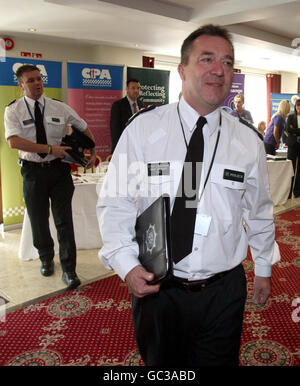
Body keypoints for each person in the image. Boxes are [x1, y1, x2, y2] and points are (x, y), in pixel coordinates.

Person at [97, 24, 280, 366]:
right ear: (182, 70)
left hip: (222, 291)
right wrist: (125, 264)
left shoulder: (247, 142)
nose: (218, 70)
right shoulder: (142, 130)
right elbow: (115, 202)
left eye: (227, 62)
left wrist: (264, 267)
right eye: (206, 59)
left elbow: (258, 211)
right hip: (157, 289)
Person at [4, 64, 96, 289]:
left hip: (59, 171)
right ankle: (45, 257)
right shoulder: (13, 110)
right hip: (32, 172)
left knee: (64, 221)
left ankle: (69, 269)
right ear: (21, 85)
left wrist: (92, 150)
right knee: (38, 219)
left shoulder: (59, 107)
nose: (37, 84)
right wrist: (49, 148)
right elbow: (13, 141)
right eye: (31, 81)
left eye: (39, 79)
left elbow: (83, 126)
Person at [110, 78, 144, 153]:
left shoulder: (141, 104)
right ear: (127, 89)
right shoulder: (118, 105)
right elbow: (115, 130)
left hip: (138, 148)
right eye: (133, 88)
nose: (136, 91)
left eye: (138, 88)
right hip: (123, 148)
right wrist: (118, 149)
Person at [286, 98, 300, 198]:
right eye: (297, 106)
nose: (299, 107)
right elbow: (288, 130)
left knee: (299, 170)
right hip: (292, 145)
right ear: (295, 107)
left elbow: (292, 130)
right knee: (291, 168)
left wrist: (294, 130)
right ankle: (288, 192)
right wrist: (296, 131)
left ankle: (297, 192)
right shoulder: (291, 117)